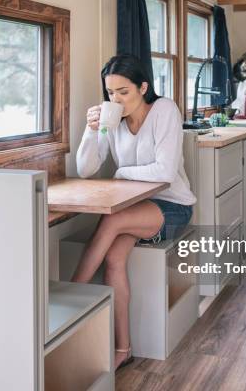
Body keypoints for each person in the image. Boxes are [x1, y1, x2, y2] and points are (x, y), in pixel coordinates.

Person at [74, 54, 197, 370]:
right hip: (134, 208)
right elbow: (86, 169)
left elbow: (165, 172)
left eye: (123, 92)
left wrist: (121, 174)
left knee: (112, 219)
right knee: (114, 260)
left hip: (173, 206)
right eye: (110, 93)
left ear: (143, 87)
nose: (116, 100)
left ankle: (73, 296)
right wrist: (92, 130)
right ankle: (122, 349)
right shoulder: (112, 120)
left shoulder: (164, 110)